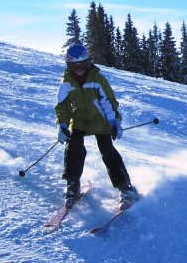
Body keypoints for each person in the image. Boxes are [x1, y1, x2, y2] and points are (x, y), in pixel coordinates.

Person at [54, 43, 138, 208]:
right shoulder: (66, 82)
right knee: (74, 146)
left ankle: (125, 187)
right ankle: (72, 183)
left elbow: (109, 102)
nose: (79, 69)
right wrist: (63, 125)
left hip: (99, 120)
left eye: (82, 64)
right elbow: (62, 106)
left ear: (88, 62)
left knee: (107, 149)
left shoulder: (97, 79)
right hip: (78, 120)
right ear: (68, 65)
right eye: (74, 65)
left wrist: (114, 122)